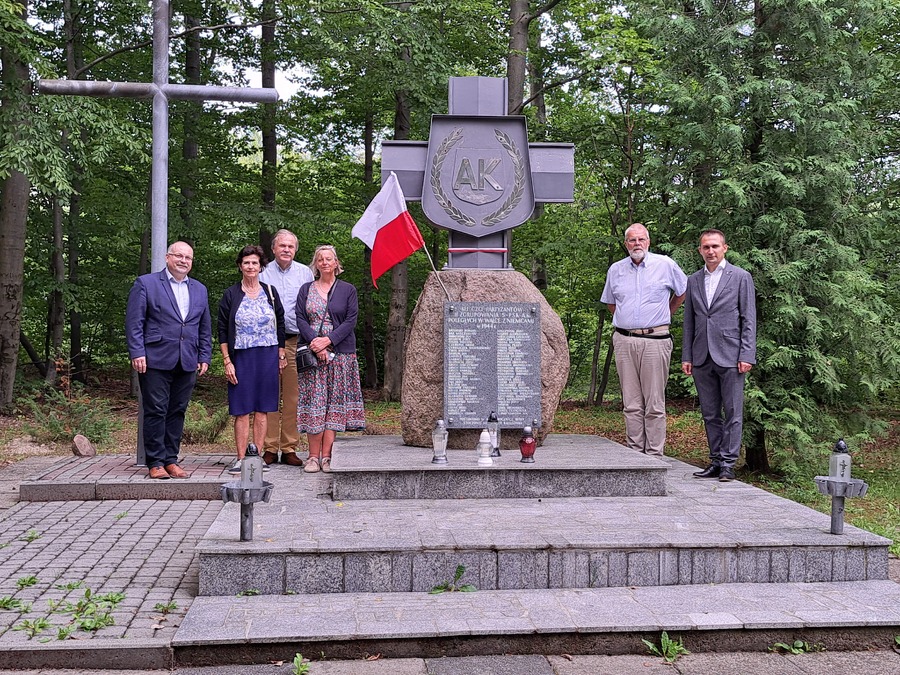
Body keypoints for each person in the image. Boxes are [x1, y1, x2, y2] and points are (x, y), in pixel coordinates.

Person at [125, 241, 212, 480]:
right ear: (167, 257)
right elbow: (134, 322)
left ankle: (171, 460)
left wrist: (204, 354)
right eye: (179, 256)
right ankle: (155, 462)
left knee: (178, 411)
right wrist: (137, 352)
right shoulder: (146, 284)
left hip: (188, 359)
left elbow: (204, 326)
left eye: (188, 258)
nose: (183, 261)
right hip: (155, 358)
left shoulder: (199, 289)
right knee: (156, 410)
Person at [600, 223, 687, 456]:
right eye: (632, 240)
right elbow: (611, 303)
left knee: (654, 404)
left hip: (655, 341)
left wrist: (666, 314)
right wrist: (627, 322)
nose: (637, 244)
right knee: (631, 404)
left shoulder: (665, 264)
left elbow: (682, 292)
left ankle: (654, 455)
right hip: (624, 341)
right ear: (626, 244)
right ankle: (635, 454)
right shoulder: (616, 270)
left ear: (648, 242)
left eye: (641, 239)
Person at [681, 229, 757, 482]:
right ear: (700, 250)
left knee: (733, 412)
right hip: (702, 356)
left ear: (725, 248)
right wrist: (687, 356)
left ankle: (727, 464)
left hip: (732, 355)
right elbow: (689, 321)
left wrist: (747, 354)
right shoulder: (693, 280)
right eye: (706, 247)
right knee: (710, 413)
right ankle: (715, 461)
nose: (710, 251)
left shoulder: (741, 277)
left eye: (715, 246)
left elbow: (748, 319)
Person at [295, 245, 365, 473]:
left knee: (333, 406)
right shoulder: (306, 289)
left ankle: (327, 457)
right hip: (312, 354)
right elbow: (300, 318)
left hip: (341, 354)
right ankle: (312, 457)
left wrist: (328, 341)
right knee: (315, 405)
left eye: (329, 259)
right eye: (320, 259)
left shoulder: (348, 290)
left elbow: (350, 320)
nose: (324, 262)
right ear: (316, 264)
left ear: (336, 263)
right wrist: (316, 343)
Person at [218, 245, 287, 475]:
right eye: (246, 262)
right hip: (241, 356)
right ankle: (241, 458)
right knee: (241, 408)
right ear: (240, 266)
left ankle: (256, 458)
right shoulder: (231, 294)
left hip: (267, 356)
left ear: (261, 266)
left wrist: (281, 353)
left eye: (254, 263)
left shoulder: (270, 292)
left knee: (262, 408)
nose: (250, 266)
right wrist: (227, 361)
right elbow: (222, 329)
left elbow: (280, 323)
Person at [259, 229, 314, 467]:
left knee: (293, 397)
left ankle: (289, 447)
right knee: (269, 395)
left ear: (296, 250)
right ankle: (270, 447)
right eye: (282, 246)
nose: (286, 250)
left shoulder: (305, 273)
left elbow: (311, 306)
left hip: (295, 341)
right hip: (268, 343)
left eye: (291, 246)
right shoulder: (262, 272)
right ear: (273, 249)